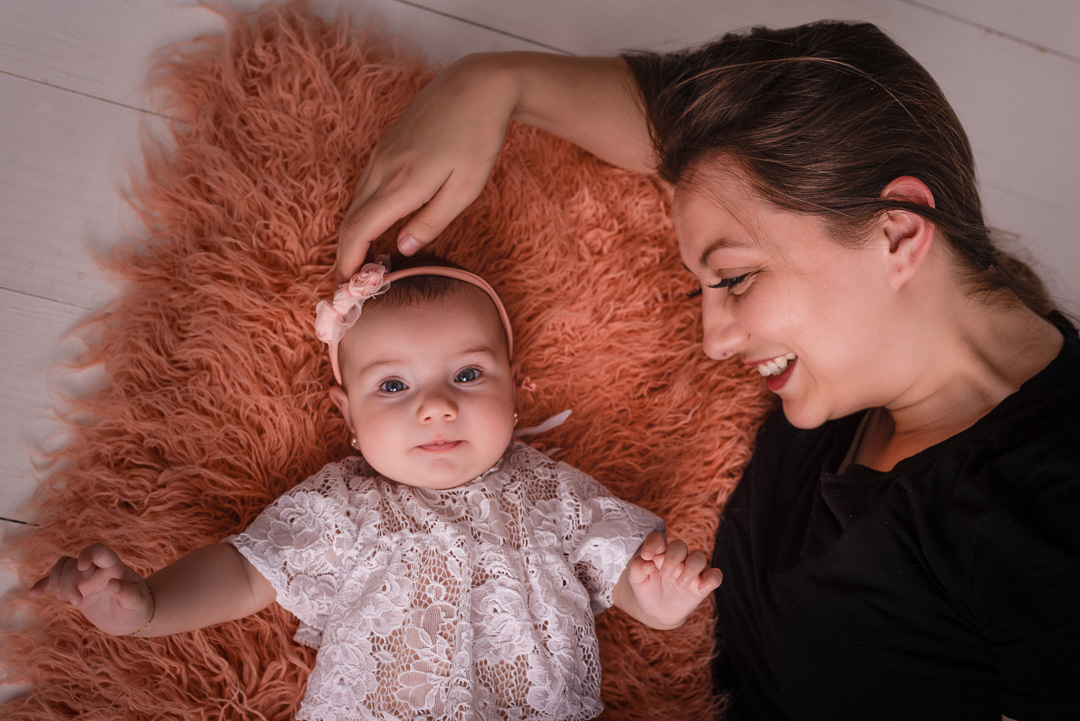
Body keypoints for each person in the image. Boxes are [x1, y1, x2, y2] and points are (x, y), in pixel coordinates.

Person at [332, 20, 1080, 721]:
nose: (715, 339)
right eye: (705, 285)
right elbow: (691, 136)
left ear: (897, 233)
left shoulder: (1046, 506)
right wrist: (490, 83)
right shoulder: (875, 360)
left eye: (735, 279)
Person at [30, 255, 724, 721]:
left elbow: (619, 563)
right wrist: (150, 604)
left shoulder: (554, 491)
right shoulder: (343, 501)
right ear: (349, 419)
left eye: (469, 375)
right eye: (393, 385)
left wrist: (655, 598)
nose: (436, 405)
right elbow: (247, 570)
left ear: (518, 396)